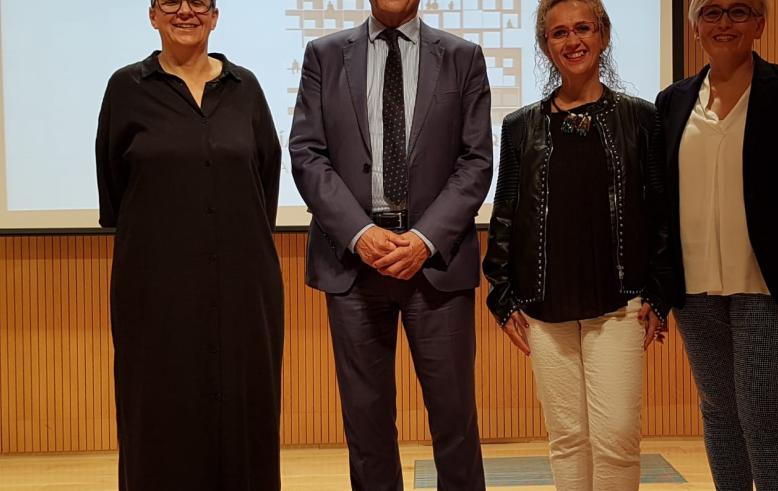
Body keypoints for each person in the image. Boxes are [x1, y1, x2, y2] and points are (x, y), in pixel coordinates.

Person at [288, 0, 492, 488]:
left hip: (437, 263)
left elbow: (476, 161)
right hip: (354, 263)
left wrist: (424, 239)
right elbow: (307, 154)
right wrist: (360, 234)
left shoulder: (463, 56)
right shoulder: (325, 54)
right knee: (367, 424)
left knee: (454, 422)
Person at [651, 1, 778, 489]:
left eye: (739, 11)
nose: (724, 24)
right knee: (718, 411)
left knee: (763, 411)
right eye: (711, 12)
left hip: (768, 282)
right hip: (693, 287)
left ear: (760, 24)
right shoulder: (672, 101)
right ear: (694, 27)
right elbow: (657, 202)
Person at [96, 0, 284, 489]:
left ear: (216, 15)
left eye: (198, 1)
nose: (185, 11)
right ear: (152, 15)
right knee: (159, 411)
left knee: (245, 412)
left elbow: (265, 178)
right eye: (170, 2)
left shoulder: (246, 88)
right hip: (155, 286)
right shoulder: (126, 88)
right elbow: (114, 191)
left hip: (244, 286)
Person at [483, 1, 667, 489]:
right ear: (546, 46)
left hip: (621, 303)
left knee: (618, 438)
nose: (572, 41)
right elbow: (505, 214)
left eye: (582, 28)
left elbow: (661, 213)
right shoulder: (520, 126)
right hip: (544, 307)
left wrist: (661, 292)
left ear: (603, 35)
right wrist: (501, 296)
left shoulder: (642, 119)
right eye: (558, 33)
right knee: (566, 438)